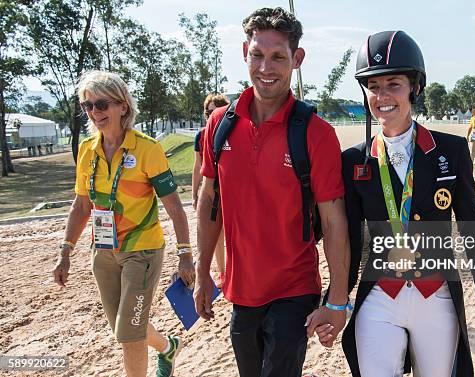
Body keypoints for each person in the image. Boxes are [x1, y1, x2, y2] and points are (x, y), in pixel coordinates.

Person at [337, 31, 475, 377]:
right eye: (373, 86)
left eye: (394, 84)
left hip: (436, 295)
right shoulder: (353, 161)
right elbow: (348, 238)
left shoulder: (450, 151)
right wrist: (335, 299)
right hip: (379, 297)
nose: (382, 96)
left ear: (415, 88)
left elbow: (471, 225)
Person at [194, 7, 350, 377]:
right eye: (258, 55)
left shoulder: (316, 133)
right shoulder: (220, 124)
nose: (266, 67)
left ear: (297, 59)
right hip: (241, 291)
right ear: (245, 52)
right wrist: (202, 272)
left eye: (278, 57)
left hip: (294, 289)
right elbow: (208, 202)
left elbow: (334, 221)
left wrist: (338, 300)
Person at [52, 70, 195, 377]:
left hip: (141, 253)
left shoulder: (147, 149)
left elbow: (174, 206)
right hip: (102, 253)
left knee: (128, 334)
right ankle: (169, 347)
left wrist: (185, 254)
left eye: (101, 104)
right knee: (127, 325)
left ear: (123, 107)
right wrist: (66, 251)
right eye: (87, 106)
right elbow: (81, 205)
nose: (94, 112)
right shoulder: (87, 152)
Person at [192, 93, 229, 287]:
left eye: (215, 111)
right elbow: (198, 166)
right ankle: (222, 272)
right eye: (208, 111)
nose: (211, 115)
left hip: (230, 193)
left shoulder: (232, 130)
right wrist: (194, 193)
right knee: (216, 234)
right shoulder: (201, 135)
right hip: (212, 193)